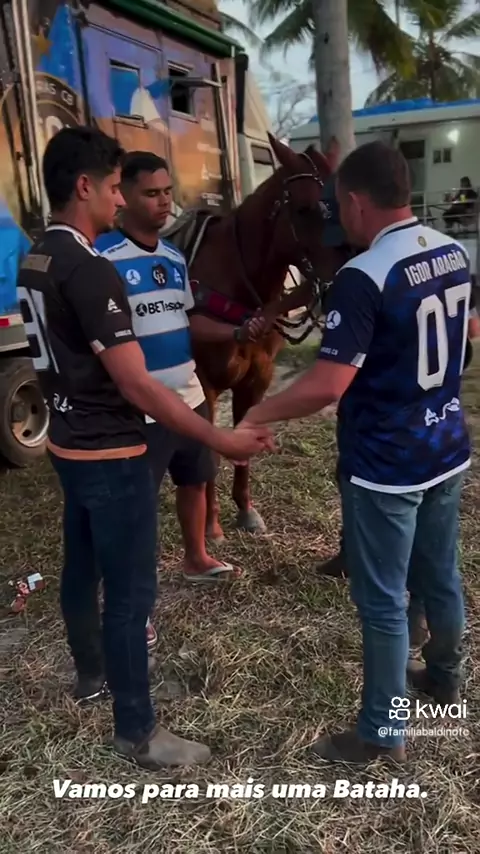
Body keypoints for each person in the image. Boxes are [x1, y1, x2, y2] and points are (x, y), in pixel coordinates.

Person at [18, 126, 272, 770]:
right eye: (112, 186)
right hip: (114, 451)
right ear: (84, 187)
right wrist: (219, 435)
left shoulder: (37, 257)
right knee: (131, 596)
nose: (118, 199)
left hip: (70, 444)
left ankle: (91, 675)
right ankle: (137, 730)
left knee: (81, 569)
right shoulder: (91, 268)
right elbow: (136, 383)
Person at [238, 140, 479, 764]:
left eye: (337, 207)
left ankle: (381, 732)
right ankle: (445, 679)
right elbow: (469, 334)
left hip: (387, 464)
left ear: (354, 200)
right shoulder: (451, 251)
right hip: (446, 445)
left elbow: (327, 383)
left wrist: (258, 412)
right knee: (441, 575)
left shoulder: (364, 274)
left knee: (383, 602)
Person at [96, 152, 261, 646]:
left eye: (167, 191)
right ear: (123, 196)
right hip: (139, 407)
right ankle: (131, 603)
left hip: (189, 396)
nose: (164, 201)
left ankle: (196, 558)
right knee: (136, 508)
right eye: (152, 193)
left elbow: (188, 320)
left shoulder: (172, 258)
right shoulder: (103, 259)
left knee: (195, 480)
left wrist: (235, 331)